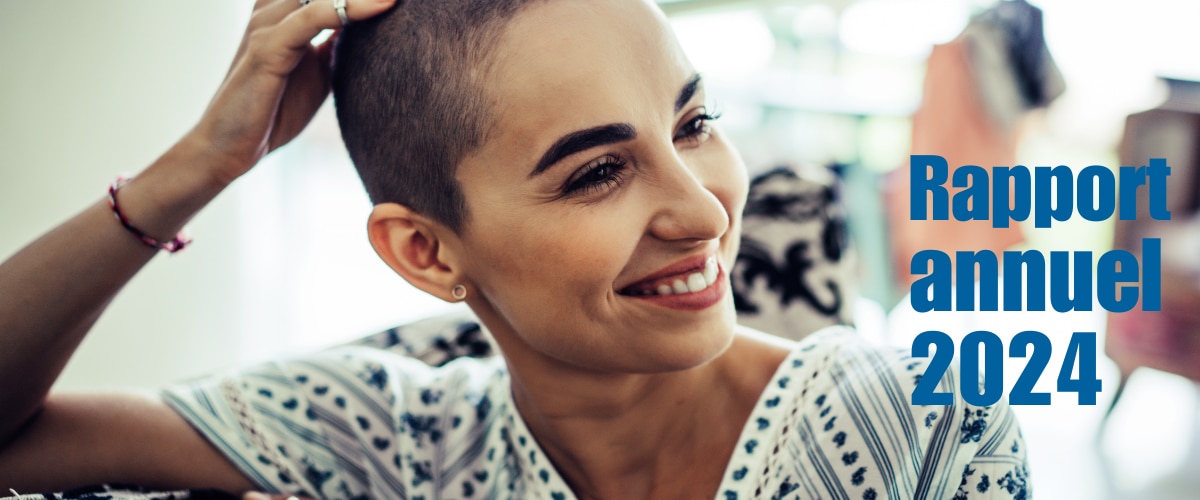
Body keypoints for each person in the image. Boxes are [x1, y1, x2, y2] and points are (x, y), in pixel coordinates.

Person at [0, 0, 1030, 498]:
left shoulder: (924, 422)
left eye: (693, 123)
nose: (704, 211)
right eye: (595, 173)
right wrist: (197, 166)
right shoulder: (393, 436)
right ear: (426, 252)